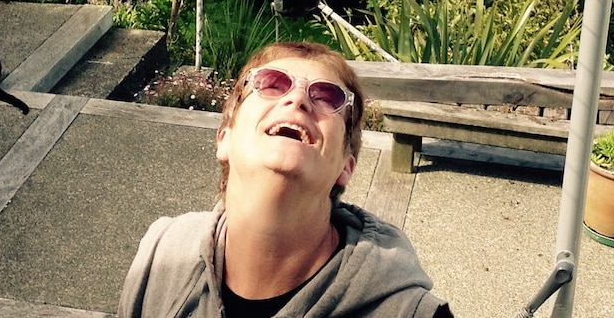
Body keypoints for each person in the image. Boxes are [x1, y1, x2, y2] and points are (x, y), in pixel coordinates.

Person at [118, 41, 453, 318]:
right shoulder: (160, 253)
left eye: (326, 97)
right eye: (271, 83)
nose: (298, 99)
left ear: (345, 166)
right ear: (224, 138)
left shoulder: (410, 313)